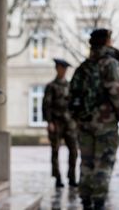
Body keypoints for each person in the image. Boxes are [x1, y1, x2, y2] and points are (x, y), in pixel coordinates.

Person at [69, 29, 119, 210]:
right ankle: (99, 201)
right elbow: (118, 97)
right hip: (106, 124)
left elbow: (72, 96)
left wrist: (79, 119)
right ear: (107, 42)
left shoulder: (83, 66)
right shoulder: (110, 64)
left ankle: (86, 200)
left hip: (84, 123)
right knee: (104, 162)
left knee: (86, 162)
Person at [42, 58, 78, 188]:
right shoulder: (51, 86)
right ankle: (57, 177)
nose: (63, 71)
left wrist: (76, 121)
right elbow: (46, 105)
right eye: (61, 68)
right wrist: (49, 122)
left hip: (69, 123)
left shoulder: (70, 86)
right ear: (57, 69)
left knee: (73, 151)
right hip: (56, 123)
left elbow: (74, 105)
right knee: (55, 151)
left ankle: (72, 177)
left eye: (65, 69)